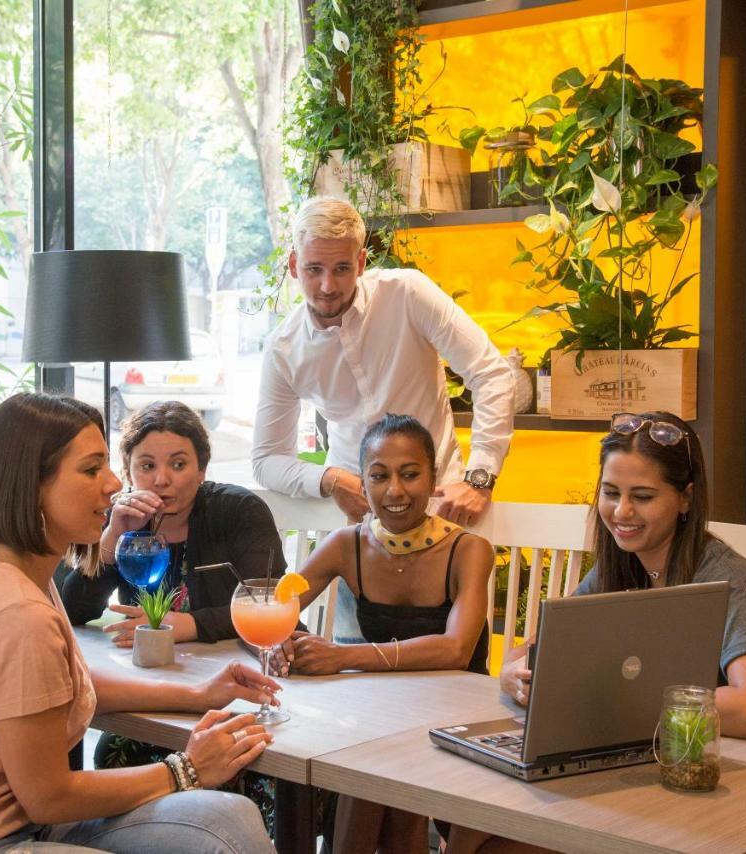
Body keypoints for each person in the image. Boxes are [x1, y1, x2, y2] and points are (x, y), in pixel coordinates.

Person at [0, 393, 277, 854]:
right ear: (30, 485)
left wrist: (197, 694)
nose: (114, 483)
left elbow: (65, 686)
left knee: (230, 817)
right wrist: (188, 769)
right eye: (91, 469)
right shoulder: (17, 613)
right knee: (223, 832)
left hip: (18, 821)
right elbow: (48, 796)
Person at [500, 411, 746, 739]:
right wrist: (512, 675)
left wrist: (620, 703)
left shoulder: (732, 584)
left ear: (686, 498)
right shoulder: (621, 566)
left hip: (734, 767)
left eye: (642, 497)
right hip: (653, 751)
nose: (622, 511)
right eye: (611, 493)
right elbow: (535, 651)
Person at [277, 414, 494, 854]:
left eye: (410, 474)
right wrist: (277, 636)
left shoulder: (469, 550)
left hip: (461, 724)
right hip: (381, 714)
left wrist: (342, 655)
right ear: (364, 483)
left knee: (374, 766)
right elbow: (278, 604)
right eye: (379, 476)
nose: (394, 491)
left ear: (433, 478)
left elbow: (455, 650)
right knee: (344, 758)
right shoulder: (346, 544)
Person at [251, 196, 515, 529]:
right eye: (313, 269)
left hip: (440, 509)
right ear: (293, 265)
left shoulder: (408, 294)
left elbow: (491, 374)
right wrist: (330, 478)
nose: (327, 286)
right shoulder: (283, 349)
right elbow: (266, 460)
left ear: (361, 263)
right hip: (355, 521)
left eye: (342, 269)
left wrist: (480, 478)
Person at [61, 400, 285, 646]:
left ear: (202, 469)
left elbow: (270, 605)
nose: (161, 479)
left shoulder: (239, 511)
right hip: (146, 666)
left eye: (178, 465)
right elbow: (73, 611)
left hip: (230, 662)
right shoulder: (123, 517)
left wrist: (190, 625)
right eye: (147, 466)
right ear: (127, 470)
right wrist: (114, 535)